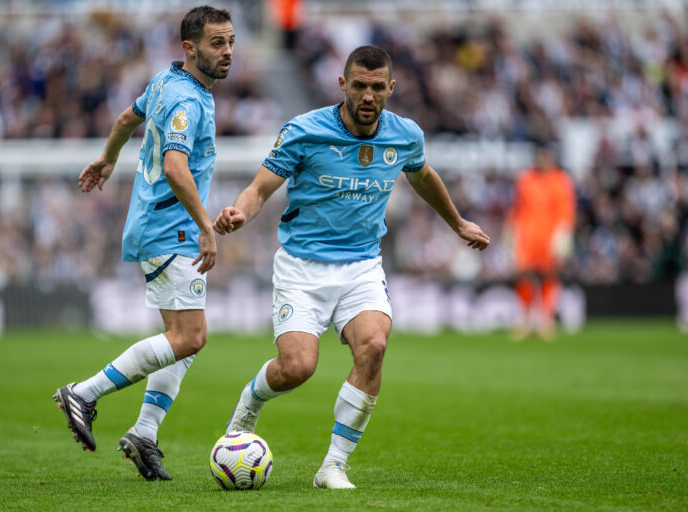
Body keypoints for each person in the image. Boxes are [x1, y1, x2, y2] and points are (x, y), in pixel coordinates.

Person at [213, 45, 490, 489]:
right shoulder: (304, 131)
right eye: (358, 86)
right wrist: (240, 213)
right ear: (342, 84)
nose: (367, 95)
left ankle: (333, 465)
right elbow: (260, 188)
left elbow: (423, 176)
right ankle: (250, 402)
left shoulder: (405, 135)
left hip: (361, 266)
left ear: (390, 89)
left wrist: (457, 222)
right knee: (297, 368)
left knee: (374, 347)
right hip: (302, 268)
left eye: (377, 88)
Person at [53, 5, 234, 481]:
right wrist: (205, 226)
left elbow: (124, 118)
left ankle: (145, 434)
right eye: (218, 43)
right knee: (190, 337)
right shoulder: (187, 101)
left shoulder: (166, 83)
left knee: (185, 341)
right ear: (189, 49)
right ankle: (84, 393)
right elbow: (175, 166)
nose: (228, 51)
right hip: (167, 229)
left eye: (231, 41)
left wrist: (108, 158)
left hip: (157, 225)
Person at [506, 144, 575, 340]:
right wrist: (511, 231)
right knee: (523, 275)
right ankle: (525, 319)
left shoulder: (560, 180)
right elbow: (517, 208)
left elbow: (566, 210)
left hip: (550, 236)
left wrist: (564, 234)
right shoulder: (526, 179)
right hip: (527, 236)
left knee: (549, 275)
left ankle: (546, 319)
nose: (542, 160)